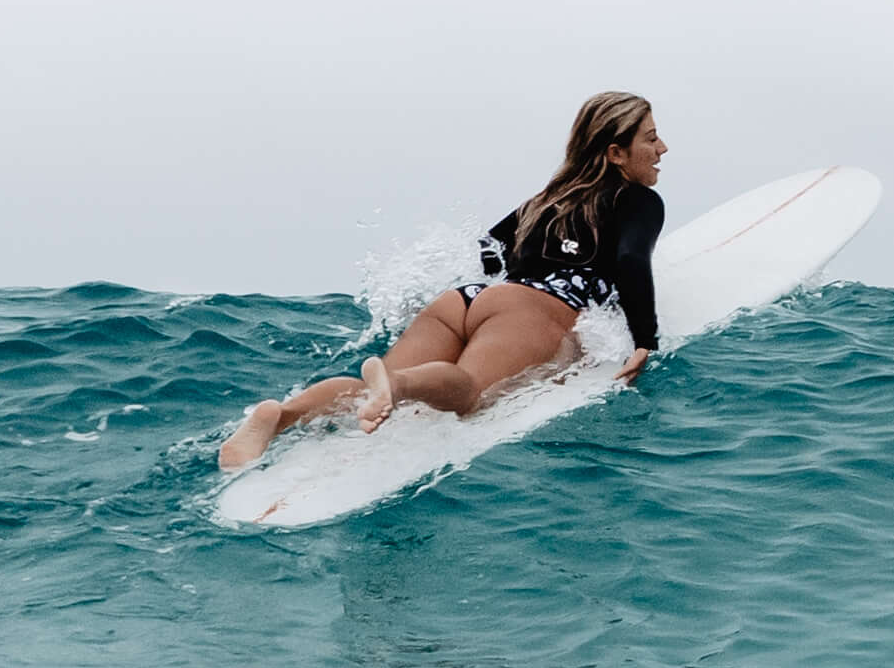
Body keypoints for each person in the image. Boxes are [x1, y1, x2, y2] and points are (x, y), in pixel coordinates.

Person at [217, 95, 671, 472]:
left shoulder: (545, 199)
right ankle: (398, 385)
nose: (663, 148)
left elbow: (487, 253)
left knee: (375, 391)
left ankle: (280, 415)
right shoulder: (638, 200)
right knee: (470, 393)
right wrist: (644, 340)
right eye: (650, 139)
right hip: (531, 308)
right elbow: (631, 258)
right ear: (615, 153)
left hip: (464, 302)